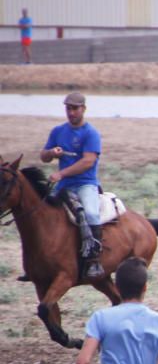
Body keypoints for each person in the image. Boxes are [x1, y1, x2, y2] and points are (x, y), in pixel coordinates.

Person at [41, 92, 106, 279]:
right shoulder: (58, 131)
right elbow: (43, 157)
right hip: (64, 186)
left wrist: (60, 173)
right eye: (68, 108)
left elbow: (87, 162)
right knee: (42, 213)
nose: (71, 112)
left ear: (83, 109)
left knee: (92, 213)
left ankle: (94, 260)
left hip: (85, 184)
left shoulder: (90, 133)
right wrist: (51, 152)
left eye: (75, 108)